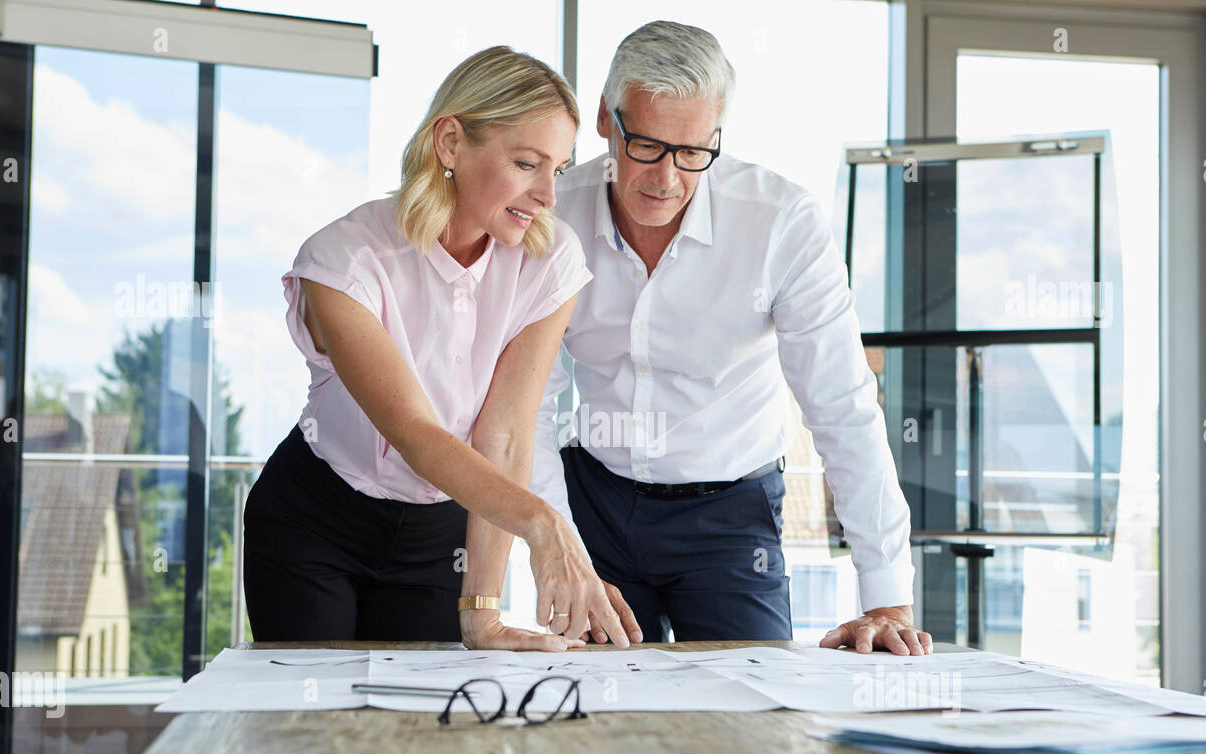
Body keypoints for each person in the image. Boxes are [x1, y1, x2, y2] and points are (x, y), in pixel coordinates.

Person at [529, 21, 933, 654]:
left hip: (729, 515)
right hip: (594, 505)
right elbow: (530, 407)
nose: (667, 178)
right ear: (607, 122)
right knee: (590, 708)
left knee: (753, 715)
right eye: (647, 146)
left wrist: (885, 597)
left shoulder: (781, 224)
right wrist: (558, 548)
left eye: (694, 152)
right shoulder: (556, 214)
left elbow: (841, 408)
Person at [243, 45, 639, 650]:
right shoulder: (345, 259)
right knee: (320, 729)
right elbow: (414, 431)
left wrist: (483, 611)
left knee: (418, 734)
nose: (548, 196)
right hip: (315, 523)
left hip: (440, 537)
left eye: (556, 170)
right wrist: (541, 522)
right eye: (527, 163)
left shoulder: (550, 262)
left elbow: (503, 437)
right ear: (451, 143)